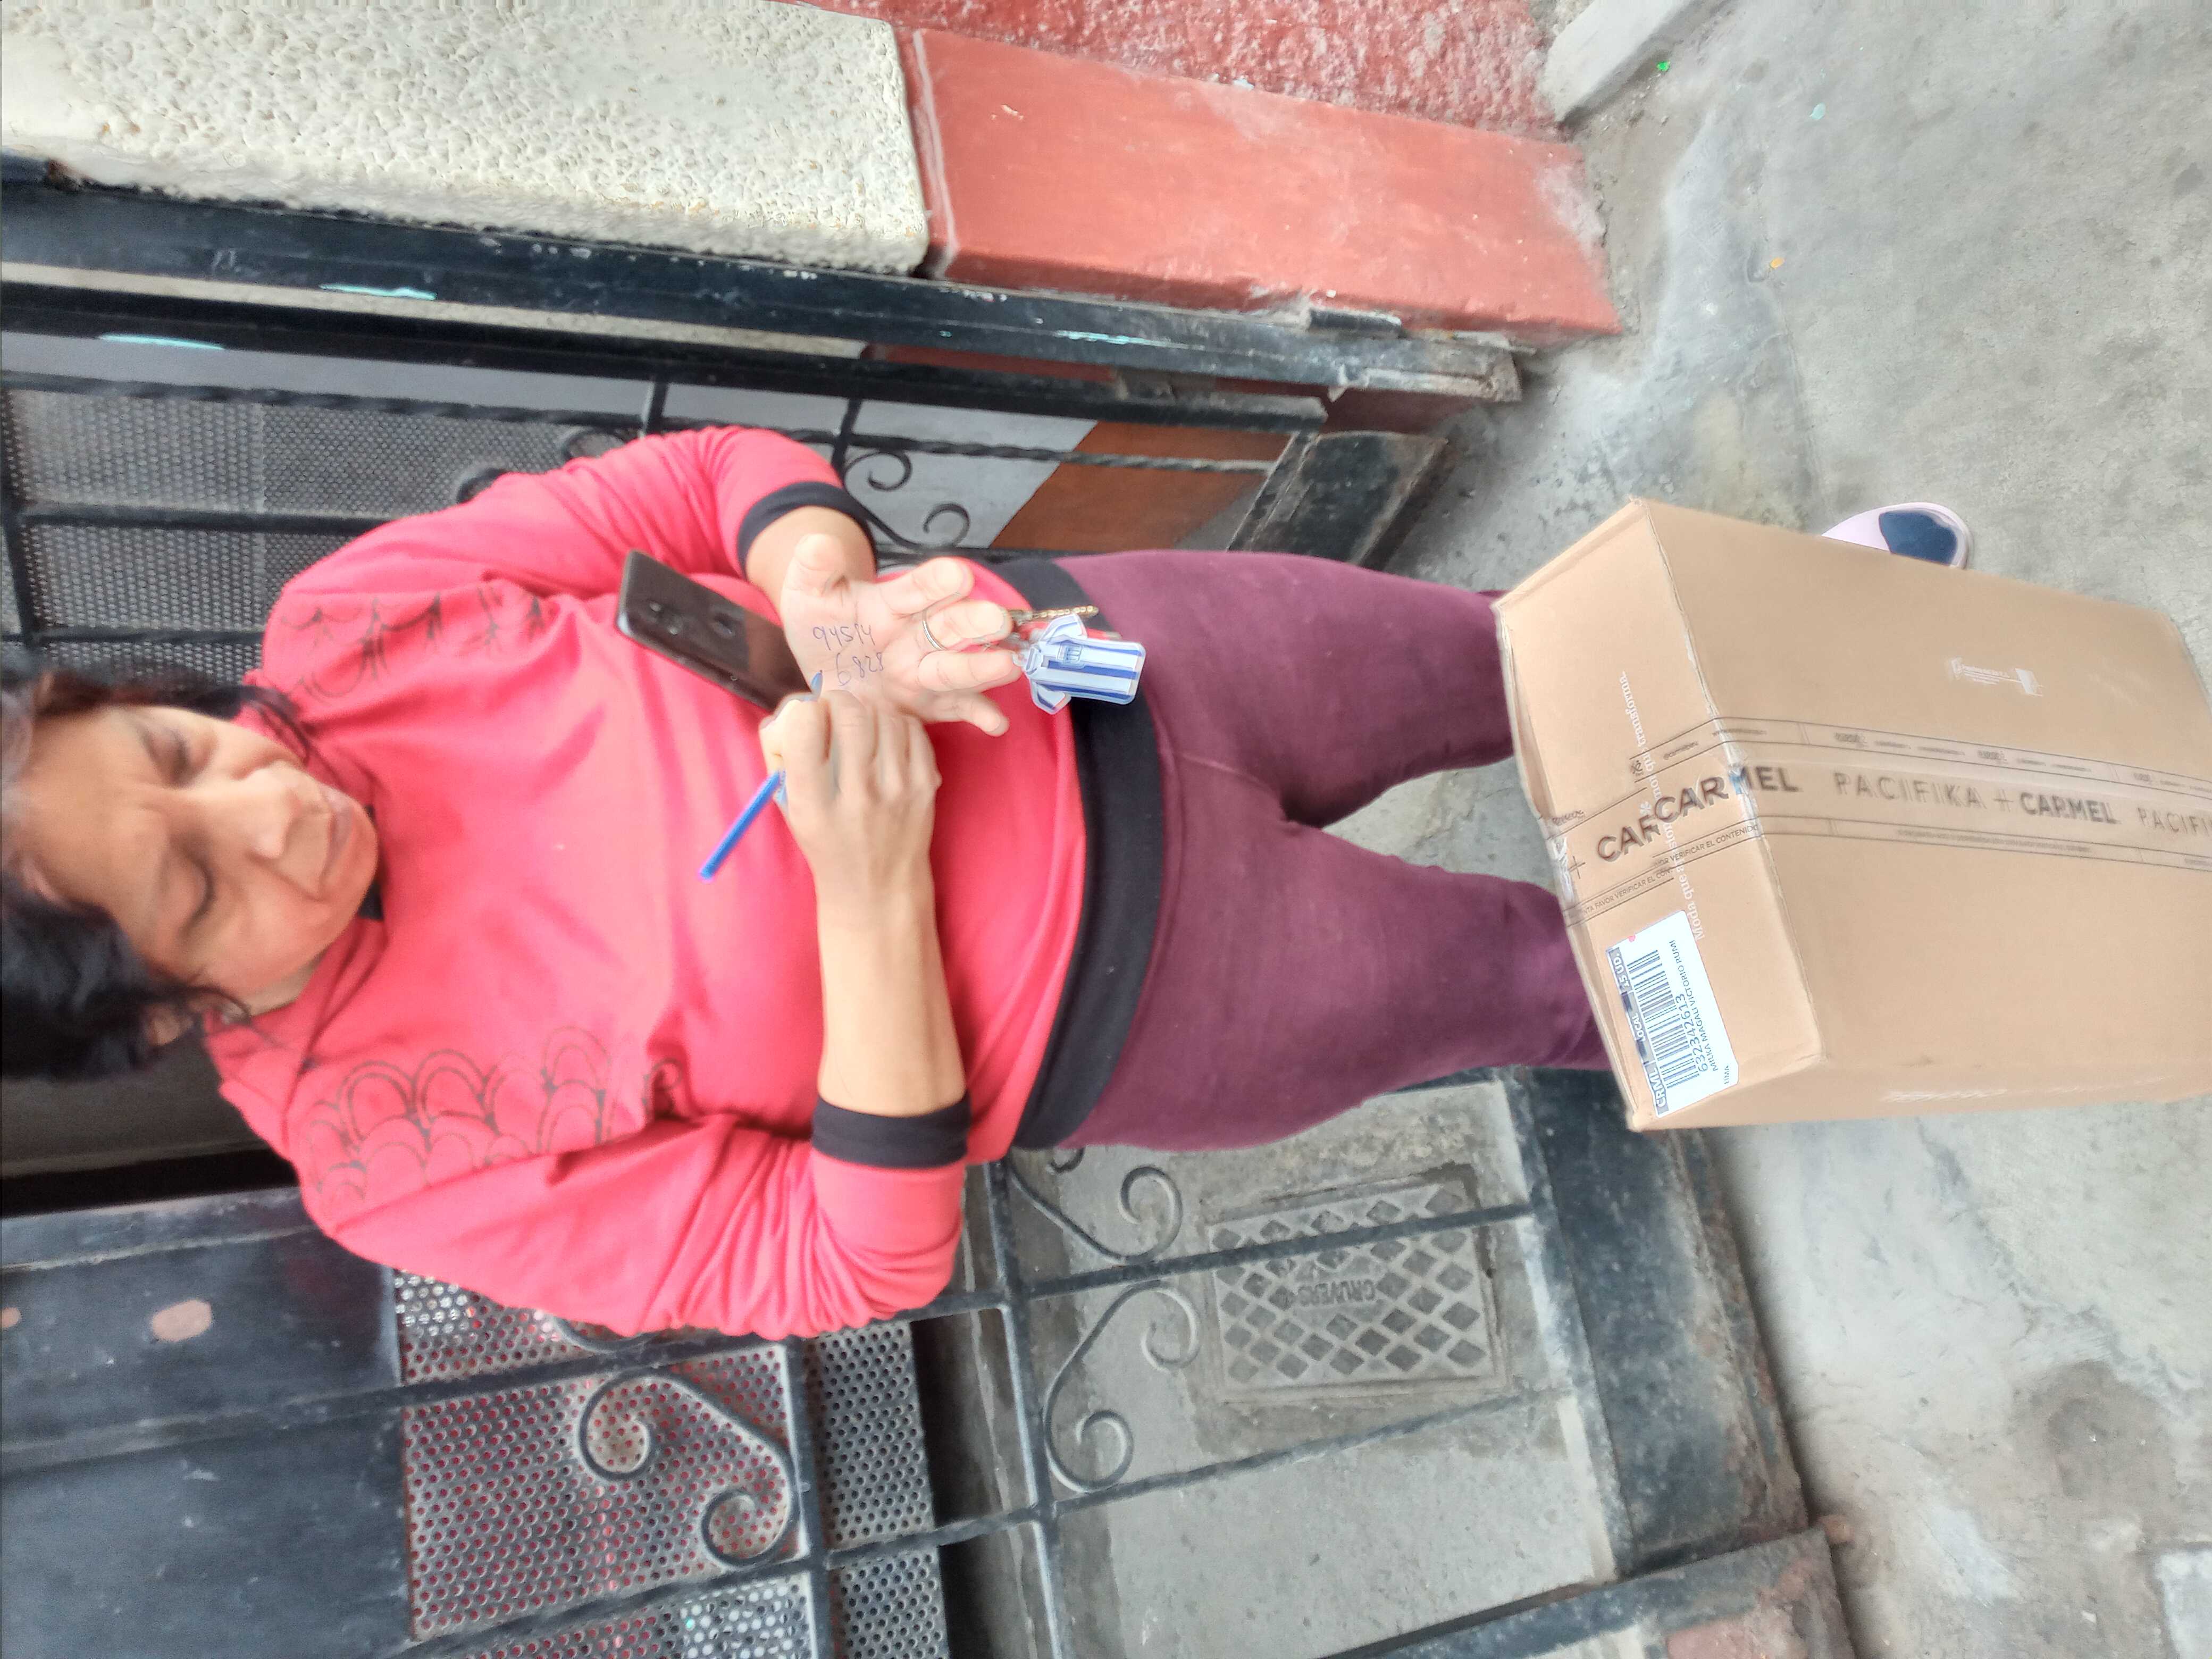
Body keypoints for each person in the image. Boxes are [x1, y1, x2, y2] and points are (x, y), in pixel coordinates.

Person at [0, 425, 1618, 1339]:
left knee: (1553, 655)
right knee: (1590, 982)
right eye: (198, 889)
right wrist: (871, 895)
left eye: (179, 747)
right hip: (1167, 990)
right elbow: (850, 1263)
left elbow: (712, 478)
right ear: (163, 1022)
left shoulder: (356, 629)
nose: (269, 802)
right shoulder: (392, 1158)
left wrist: (826, 599)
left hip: (1108, 656)